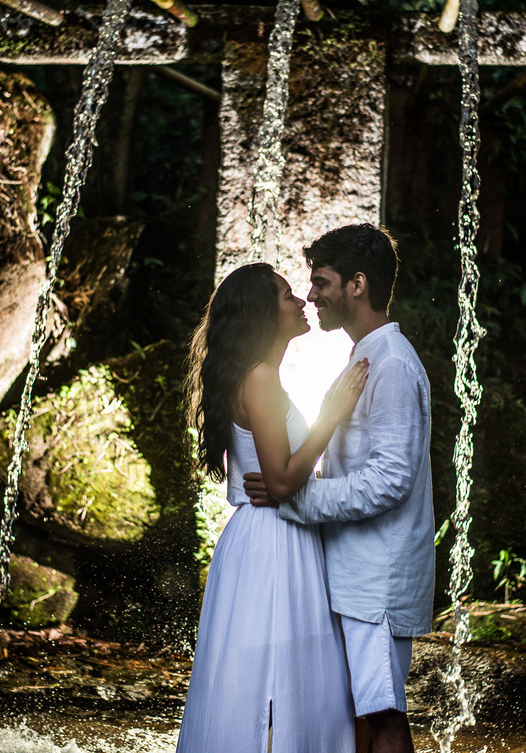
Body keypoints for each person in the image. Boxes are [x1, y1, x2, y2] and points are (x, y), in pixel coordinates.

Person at [246, 224, 434, 753]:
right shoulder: (366, 358)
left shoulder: (392, 364)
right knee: (361, 711)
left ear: (358, 284)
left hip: (378, 579)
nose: (311, 296)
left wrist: (296, 498)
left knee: (383, 713)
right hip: (359, 574)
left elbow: (390, 481)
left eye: (321, 282)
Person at [176, 261, 369, 753]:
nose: (301, 300)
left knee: (267, 682)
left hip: (269, 536)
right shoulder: (259, 378)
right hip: (273, 541)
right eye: (287, 296)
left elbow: (283, 476)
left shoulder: (259, 376)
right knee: (275, 683)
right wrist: (332, 414)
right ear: (264, 313)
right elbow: (281, 481)